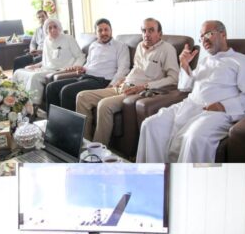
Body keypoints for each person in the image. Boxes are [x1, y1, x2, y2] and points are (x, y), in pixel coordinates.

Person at [136, 20, 245, 163]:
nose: (204, 39)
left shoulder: (242, 62)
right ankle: (154, 174)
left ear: (223, 34)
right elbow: (185, 87)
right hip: (189, 106)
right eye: (201, 36)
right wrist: (185, 66)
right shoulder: (204, 62)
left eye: (208, 34)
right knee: (150, 125)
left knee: (194, 137)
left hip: (217, 112)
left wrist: (222, 106)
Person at [76, 18, 179, 146]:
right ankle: (84, 144)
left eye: (151, 30)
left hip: (137, 92)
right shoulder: (140, 46)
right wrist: (122, 79)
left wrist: (145, 87)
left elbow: (173, 78)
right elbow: (136, 69)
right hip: (123, 86)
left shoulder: (167, 49)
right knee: (82, 97)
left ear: (160, 34)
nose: (146, 34)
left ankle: (97, 149)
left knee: (104, 105)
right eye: (144, 30)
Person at [44, 18, 130, 112]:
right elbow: (88, 64)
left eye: (106, 30)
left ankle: (68, 122)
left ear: (111, 31)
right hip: (86, 77)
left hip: (102, 80)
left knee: (67, 91)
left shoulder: (120, 46)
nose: (103, 33)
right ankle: (53, 120)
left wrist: (111, 85)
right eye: (100, 30)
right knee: (51, 87)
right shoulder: (93, 45)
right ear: (95, 33)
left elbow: (123, 69)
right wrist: (83, 68)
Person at [12, 18, 85, 106]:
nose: (53, 30)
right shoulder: (46, 40)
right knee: (18, 72)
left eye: (55, 27)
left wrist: (76, 67)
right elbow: (45, 60)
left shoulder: (68, 38)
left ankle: (33, 106)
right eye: (50, 28)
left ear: (59, 27)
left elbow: (80, 56)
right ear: (46, 30)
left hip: (60, 70)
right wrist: (35, 66)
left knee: (34, 77)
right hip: (46, 69)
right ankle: (17, 100)